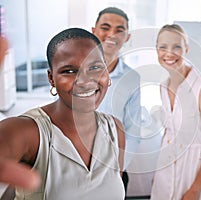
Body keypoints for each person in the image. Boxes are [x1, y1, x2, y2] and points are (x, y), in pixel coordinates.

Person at [0, 28, 125, 199]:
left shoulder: (115, 130)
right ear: (51, 78)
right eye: (69, 71)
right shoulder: (24, 131)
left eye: (95, 67)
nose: (85, 81)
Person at [150, 24, 201, 200]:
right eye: (163, 47)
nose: (169, 53)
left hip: (193, 174)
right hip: (164, 175)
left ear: (186, 49)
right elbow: (168, 133)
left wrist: (195, 189)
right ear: (156, 50)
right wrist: (157, 173)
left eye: (176, 47)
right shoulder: (163, 87)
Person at [92, 7, 141, 192]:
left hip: (113, 170)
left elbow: (133, 130)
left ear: (127, 37)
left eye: (119, 30)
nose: (112, 34)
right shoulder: (76, 71)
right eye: (105, 27)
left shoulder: (132, 78)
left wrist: (119, 168)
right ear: (94, 31)